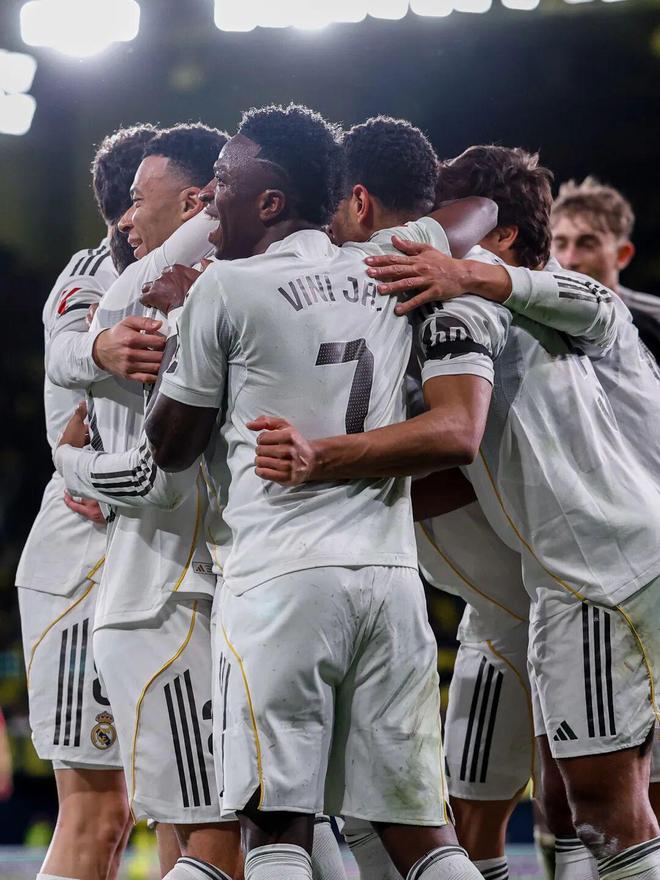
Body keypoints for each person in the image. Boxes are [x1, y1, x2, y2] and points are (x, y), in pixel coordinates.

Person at [251, 144, 660, 880]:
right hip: (542, 590)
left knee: (604, 807)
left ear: (496, 234)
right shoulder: (489, 313)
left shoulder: (502, 303)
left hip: (602, 573)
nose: (431, 235)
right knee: (522, 810)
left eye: (445, 218)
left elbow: (456, 438)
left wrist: (321, 463)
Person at [140, 103, 489, 880]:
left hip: (280, 582)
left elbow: (170, 449)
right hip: (389, 583)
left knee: (276, 830)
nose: (208, 199)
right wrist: (445, 259)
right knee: (423, 837)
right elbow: (474, 212)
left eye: (223, 181)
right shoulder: (388, 261)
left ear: (270, 201)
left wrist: (176, 328)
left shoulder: (225, 289)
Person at [52, 123, 243, 880]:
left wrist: (72, 460)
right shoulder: (127, 293)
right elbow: (155, 475)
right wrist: (71, 464)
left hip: (190, 596)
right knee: (220, 834)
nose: (125, 220)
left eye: (139, 201)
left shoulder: (218, 288)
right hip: (164, 600)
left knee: (211, 830)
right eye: (127, 200)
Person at [15, 123, 157, 880]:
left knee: (189, 802)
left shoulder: (198, 278)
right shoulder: (91, 275)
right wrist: (100, 348)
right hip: (83, 563)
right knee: (99, 814)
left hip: (155, 556)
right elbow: (68, 346)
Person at [551, 177, 660, 361]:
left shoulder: (654, 320)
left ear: (622, 255)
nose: (570, 260)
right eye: (561, 244)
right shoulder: (528, 320)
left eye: (587, 245)